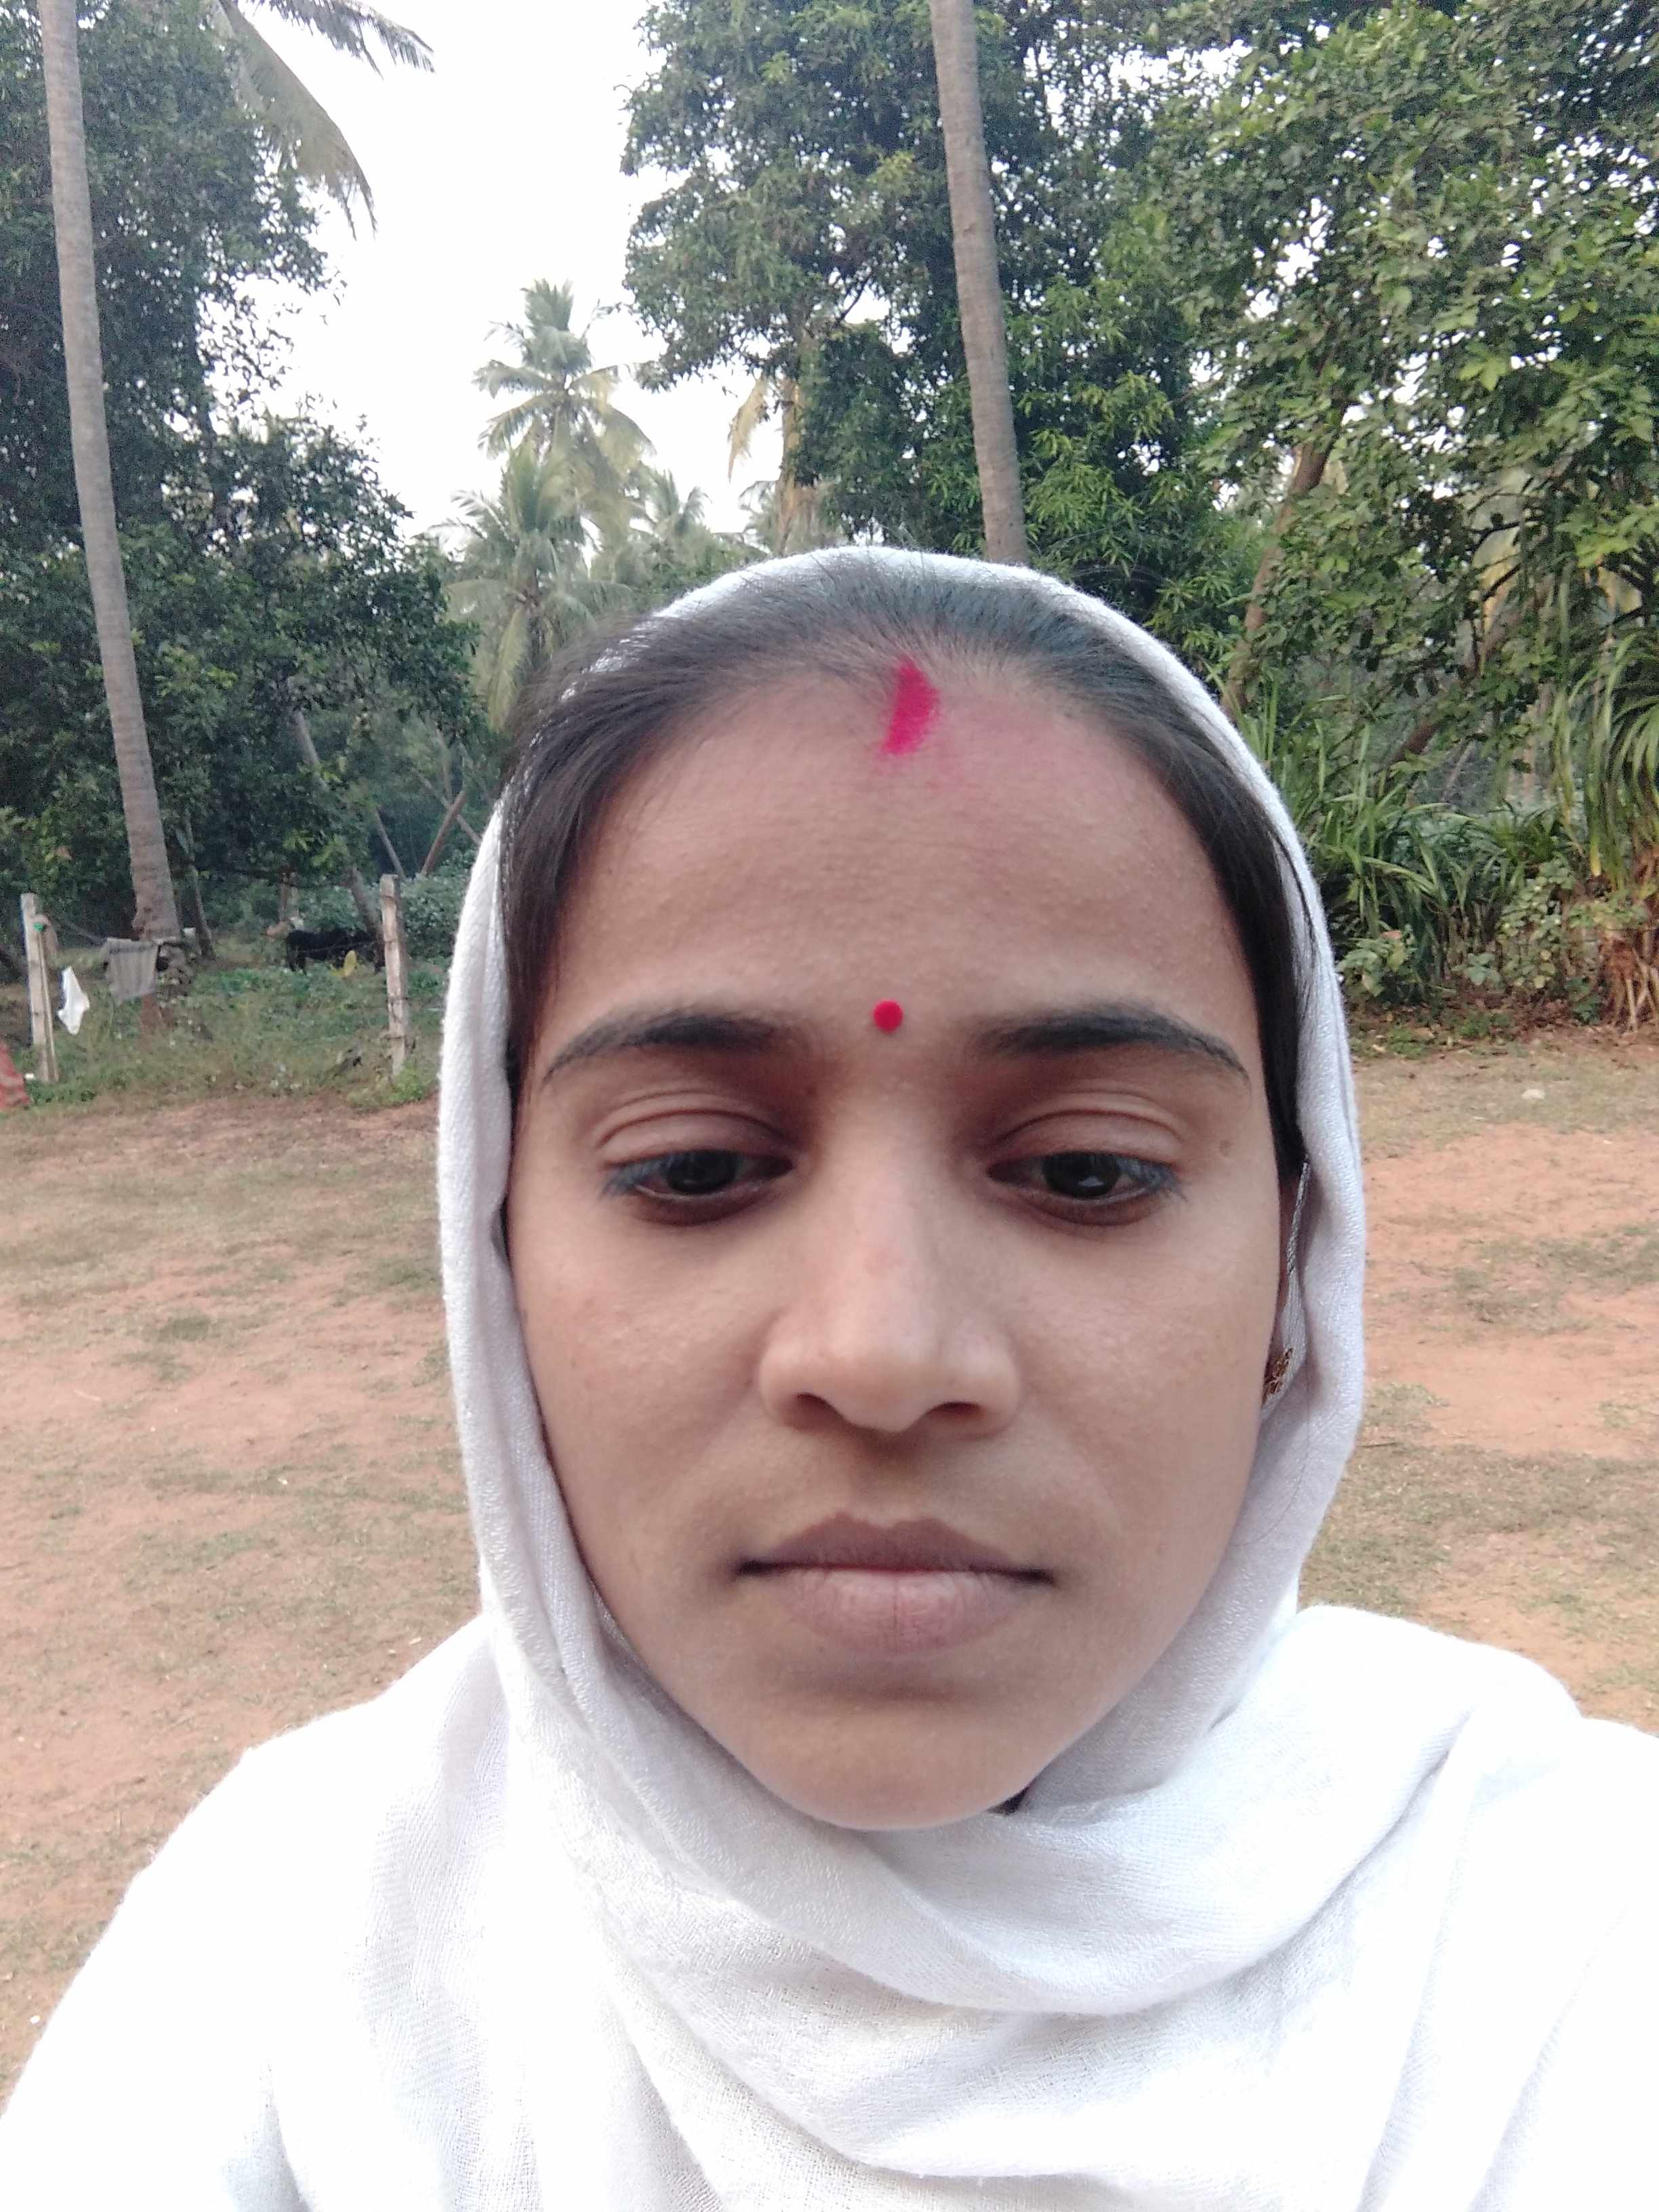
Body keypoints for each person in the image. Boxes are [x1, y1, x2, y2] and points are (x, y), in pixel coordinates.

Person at [3, 550, 1654, 2207]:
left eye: (1086, 1171)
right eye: (695, 1167)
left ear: (1298, 1262)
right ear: (494, 1255)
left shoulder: (1568, 1948)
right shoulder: (286, 1960)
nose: (882, 1356)